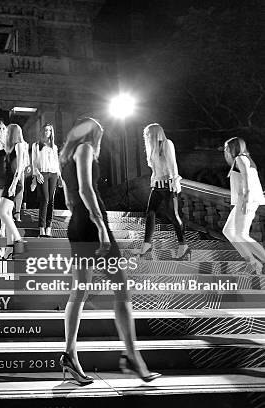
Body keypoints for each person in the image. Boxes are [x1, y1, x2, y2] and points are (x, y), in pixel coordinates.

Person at [59, 117, 160, 384]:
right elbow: (86, 189)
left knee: (79, 291)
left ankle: (70, 355)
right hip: (92, 227)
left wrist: (82, 221)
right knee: (121, 289)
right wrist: (101, 227)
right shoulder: (86, 150)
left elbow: (70, 198)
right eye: (100, 135)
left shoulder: (65, 156)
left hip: (78, 225)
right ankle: (132, 356)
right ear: (94, 135)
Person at [139, 124, 188, 260]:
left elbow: (173, 165)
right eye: (146, 134)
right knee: (150, 213)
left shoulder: (167, 144)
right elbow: (155, 170)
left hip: (168, 185)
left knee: (173, 215)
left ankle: (183, 245)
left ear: (156, 133)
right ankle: (147, 244)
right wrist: (152, 182)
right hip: (157, 185)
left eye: (149, 134)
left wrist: (174, 182)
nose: (147, 137)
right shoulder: (152, 149)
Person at [222, 137, 265, 274]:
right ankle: (253, 263)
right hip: (244, 199)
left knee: (241, 234)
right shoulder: (243, 159)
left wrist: (246, 199)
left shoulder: (240, 158)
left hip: (247, 200)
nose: (225, 150)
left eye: (227, 148)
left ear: (233, 148)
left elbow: (247, 178)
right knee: (229, 231)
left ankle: (257, 262)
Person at [0, 124, 27, 252]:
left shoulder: (19, 145)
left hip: (14, 182)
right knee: (7, 214)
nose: (6, 133)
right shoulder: (9, 147)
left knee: (2, 212)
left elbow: (20, 167)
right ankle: (9, 249)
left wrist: (14, 184)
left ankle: (18, 239)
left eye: (7, 131)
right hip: (8, 181)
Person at [31, 123, 61, 237]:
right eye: (45, 130)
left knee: (51, 200)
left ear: (51, 132)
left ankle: (49, 228)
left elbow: (56, 163)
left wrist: (60, 177)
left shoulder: (54, 146)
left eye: (49, 130)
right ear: (42, 131)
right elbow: (34, 161)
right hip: (42, 173)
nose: (46, 132)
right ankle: (41, 228)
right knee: (45, 199)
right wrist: (37, 174)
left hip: (53, 174)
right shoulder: (36, 145)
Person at [13, 135, 30, 222]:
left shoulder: (24, 144)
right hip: (10, 169)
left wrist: (27, 164)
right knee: (10, 190)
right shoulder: (9, 142)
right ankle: (11, 211)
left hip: (20, 169)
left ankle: (17, 212)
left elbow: (26, 155)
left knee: (20, 189)